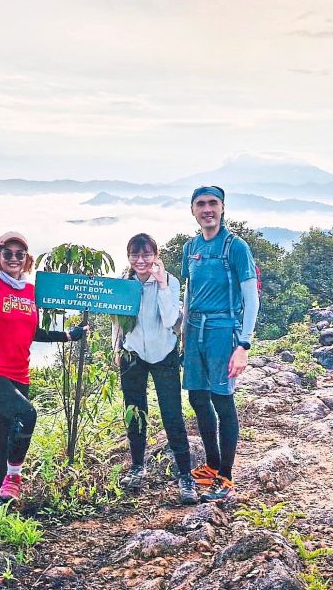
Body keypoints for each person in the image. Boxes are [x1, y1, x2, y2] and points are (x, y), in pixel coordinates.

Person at [0, 231, 87, 502]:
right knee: (27, 415)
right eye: (8, 254)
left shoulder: (30, 292)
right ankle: (14, 478)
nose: (14, 258)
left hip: (20, 374)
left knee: (3, 439)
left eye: (20, 254)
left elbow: (31, 331)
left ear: (27, 259)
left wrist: (67, 336)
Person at [181, 186, 259, 501]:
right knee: (198, 398)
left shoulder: (236, 247)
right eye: (201, 204)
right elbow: (188, 291)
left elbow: (252, 299)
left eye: (213, 203)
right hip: (194, 329)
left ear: (223, 208)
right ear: (193, 210)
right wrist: (182, 332)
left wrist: (244, 345)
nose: (207, 209)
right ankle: (211, 467)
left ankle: (225, 476)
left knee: (222, 401)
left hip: (224, 330)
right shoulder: (191, 247)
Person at [112, 233, 199, 505]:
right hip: (133, 355)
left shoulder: (169, 281)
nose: (141, 260)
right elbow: (117, 320)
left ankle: (185, 475)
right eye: (135, 255)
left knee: (172, 415)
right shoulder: (124, 284)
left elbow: (171, 318)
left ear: (156, 255)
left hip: (164, 355)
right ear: (129, 257)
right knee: (135, 413)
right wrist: (116, 349)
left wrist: (161, 285)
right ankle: (138, 466)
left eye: (146, 254)